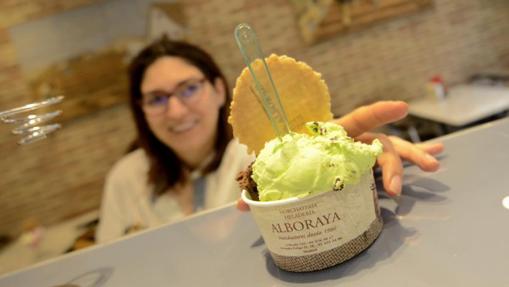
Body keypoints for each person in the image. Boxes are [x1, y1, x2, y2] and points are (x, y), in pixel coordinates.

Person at [96, 36, 443, 243]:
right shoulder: (124, 180)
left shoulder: (262, 160)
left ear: (219, 90)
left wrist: (347, 161)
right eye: (156, 98)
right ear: (141, 110)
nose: (175, 110)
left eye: (188, 88)